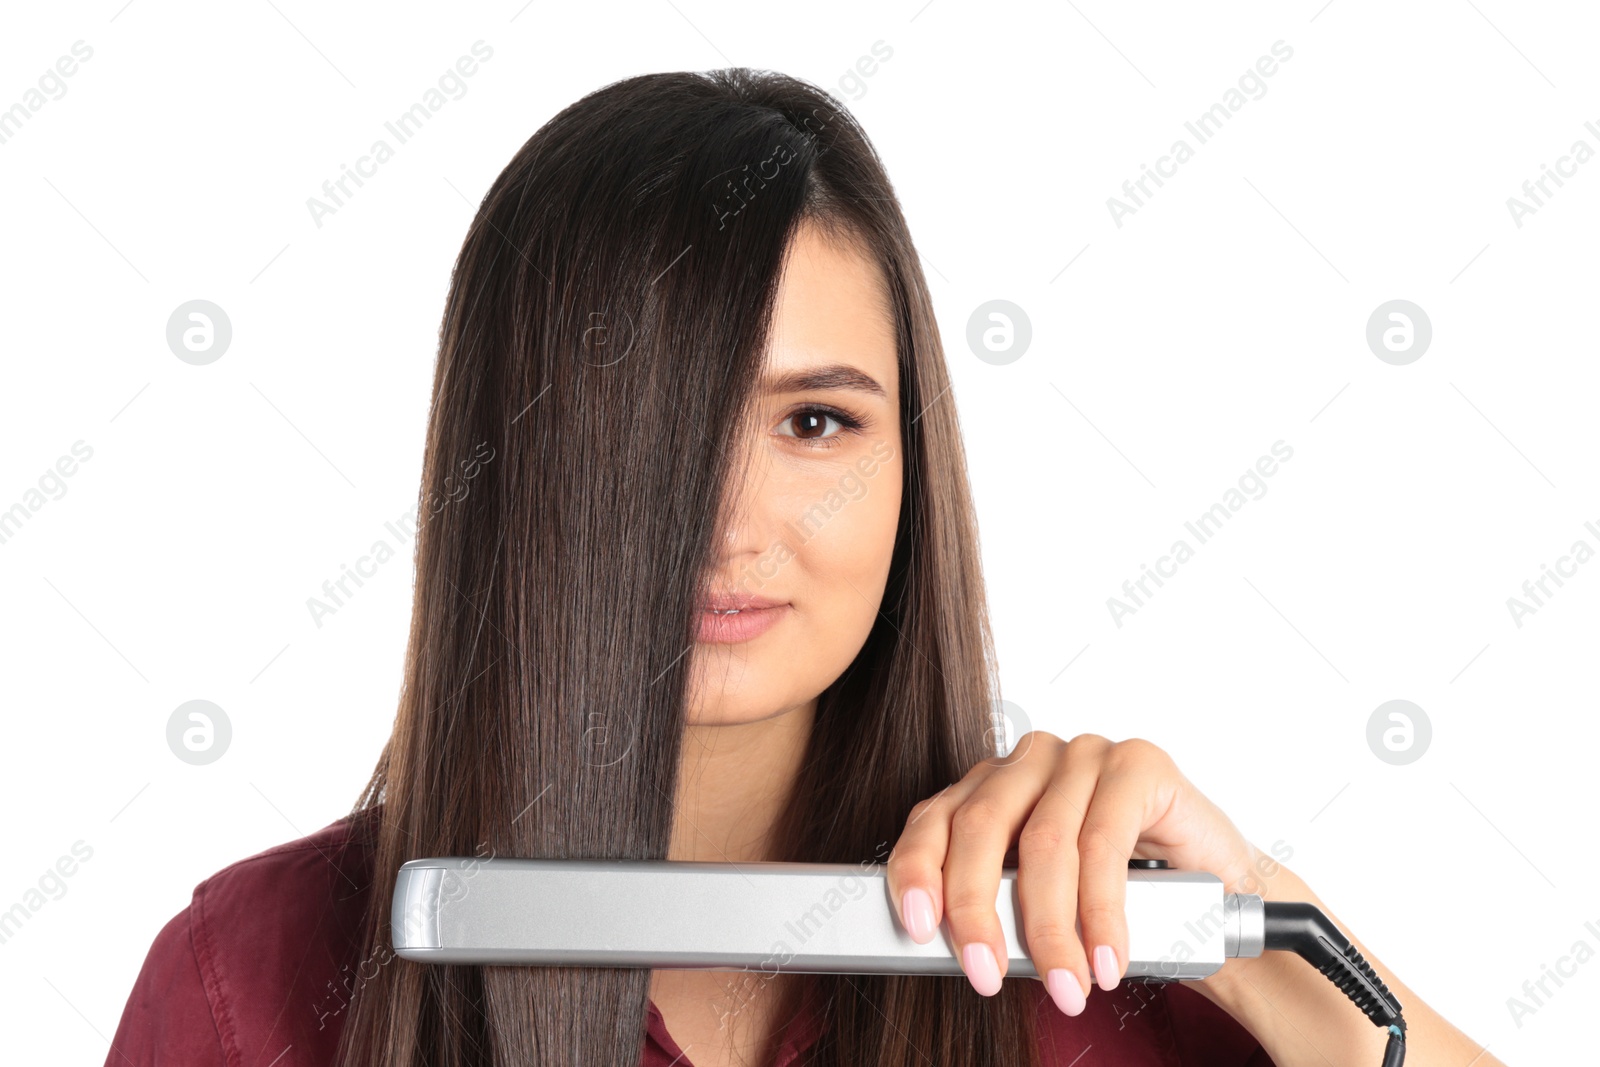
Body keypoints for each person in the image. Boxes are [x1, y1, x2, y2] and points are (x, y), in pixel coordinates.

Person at [104, 68, 1499, 1067]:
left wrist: (1267, 935)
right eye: (643, 426)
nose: (728, 521)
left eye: (815, 421)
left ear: (912, 466)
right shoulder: (247, 986)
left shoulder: (1105, 971)